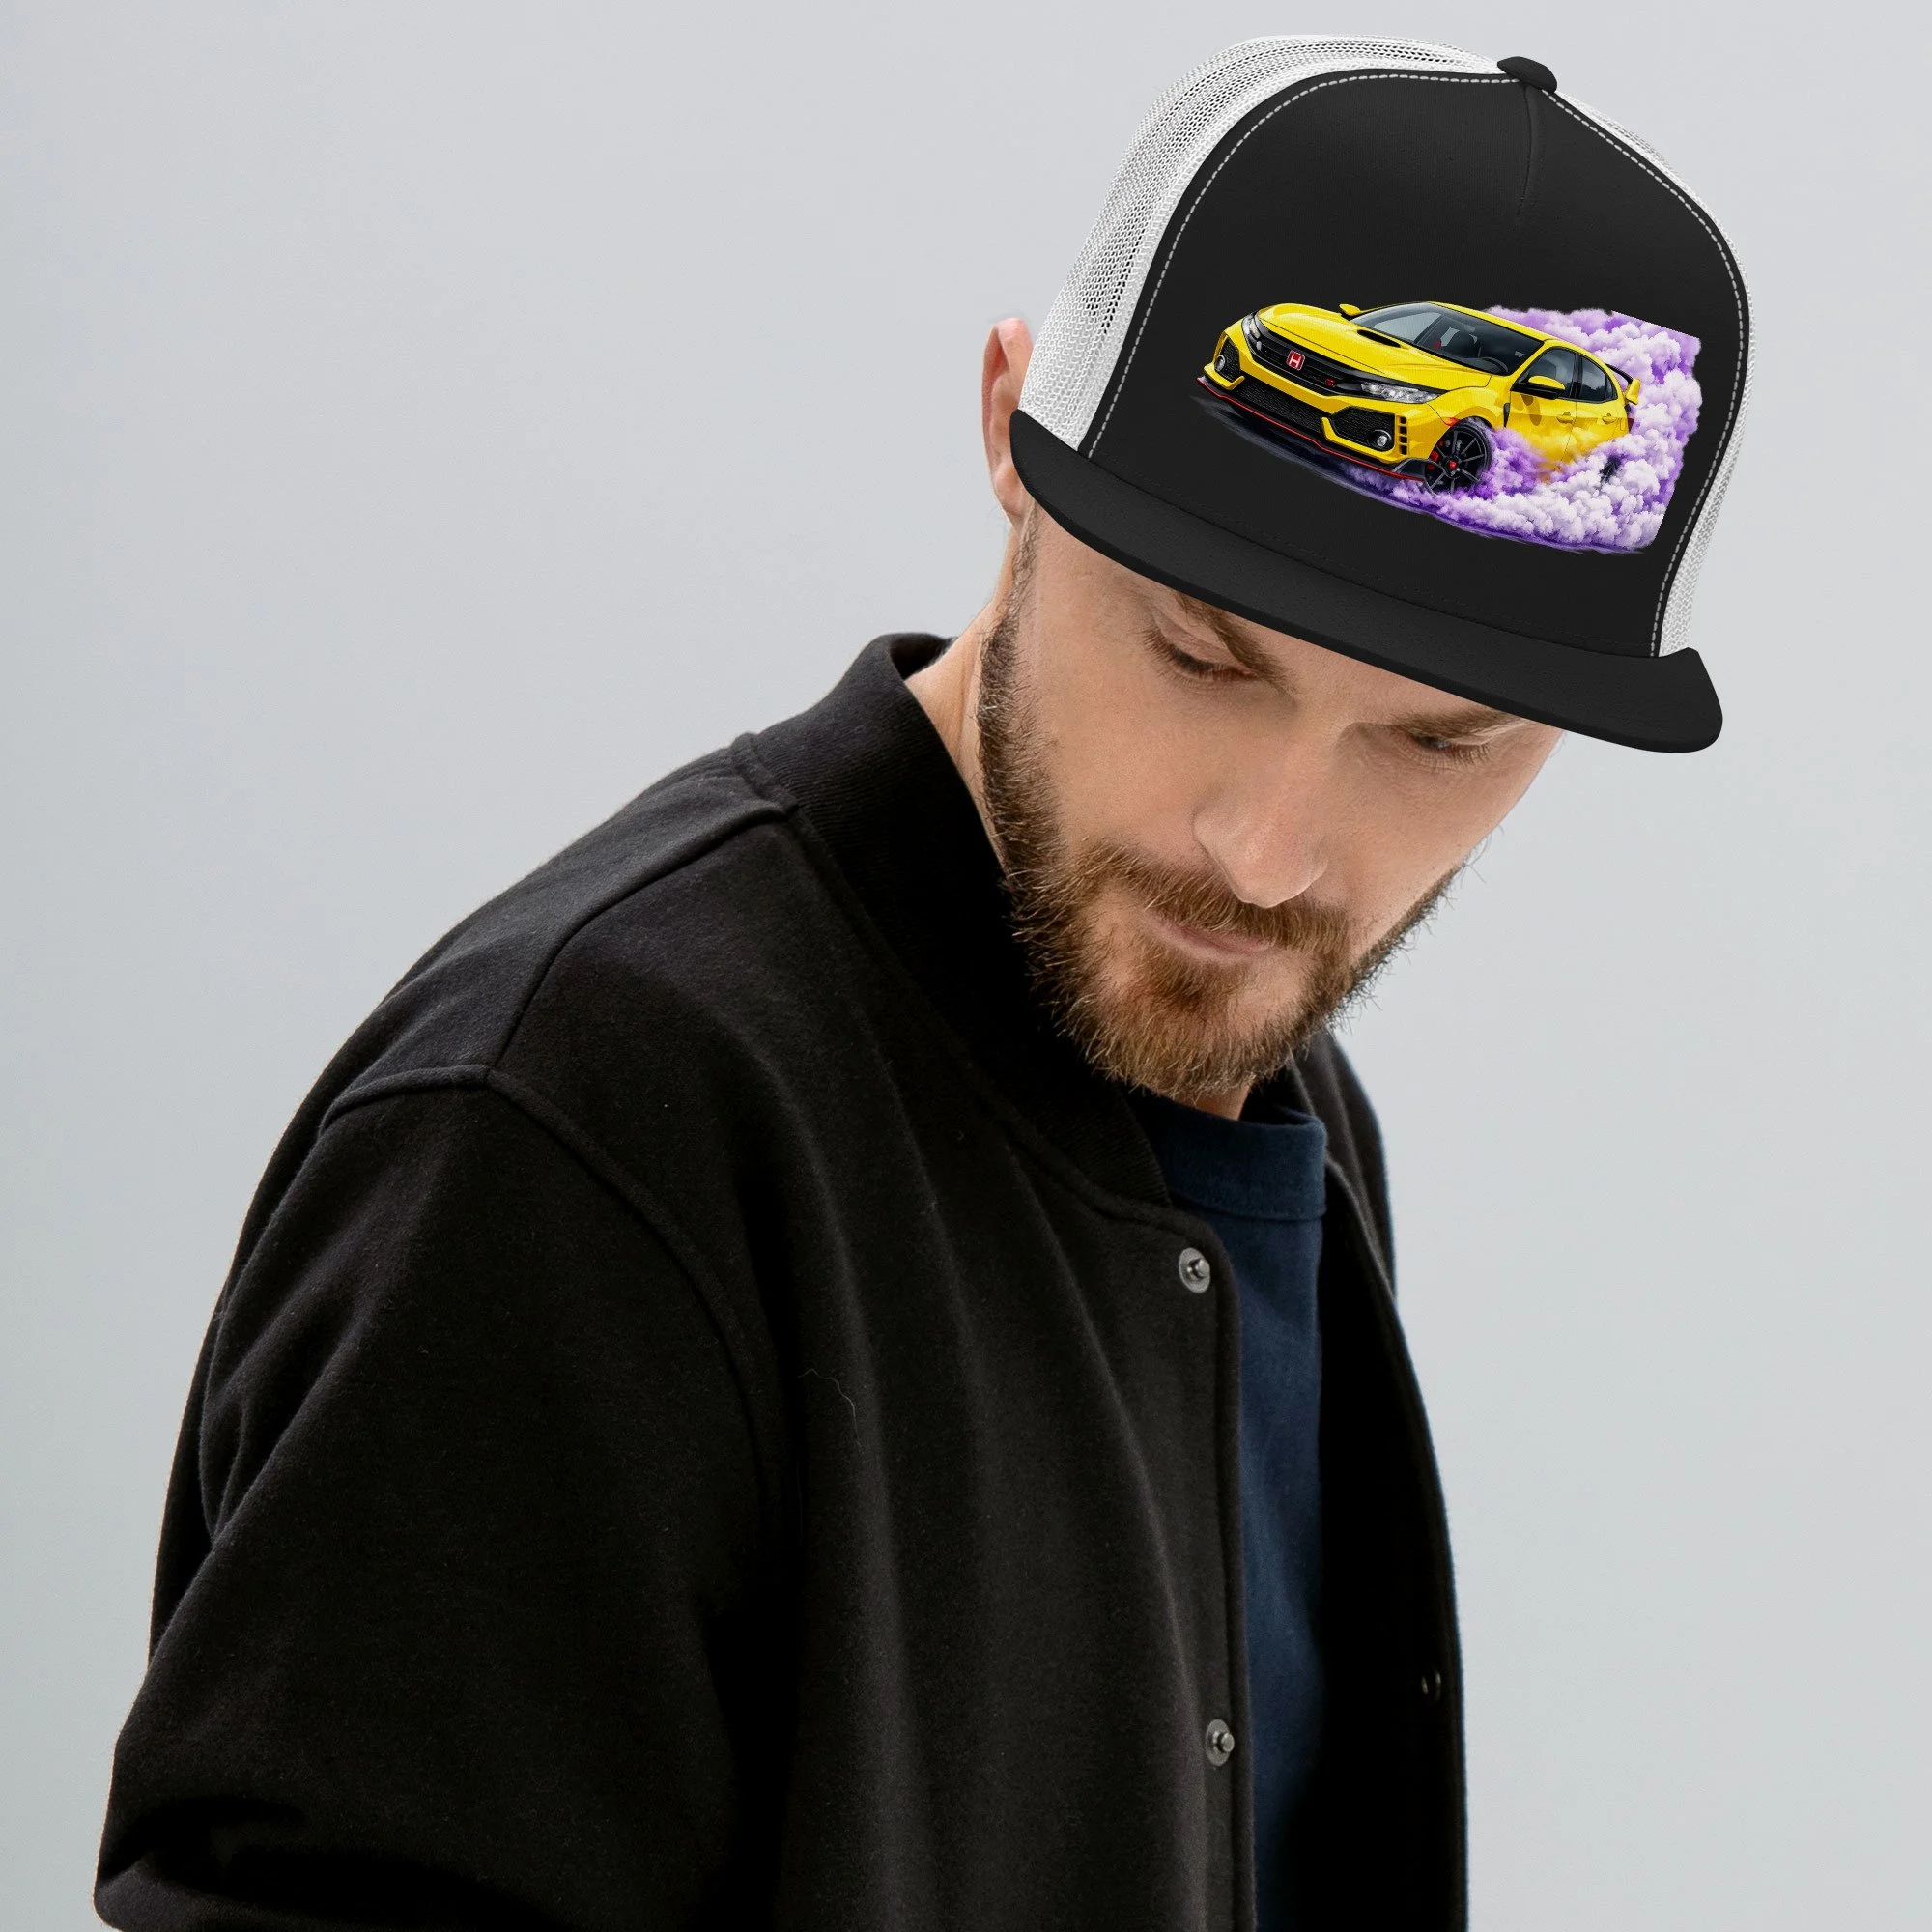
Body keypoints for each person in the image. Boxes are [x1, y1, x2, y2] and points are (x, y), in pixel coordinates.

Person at [97, 37, 1751, 1932]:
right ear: (1008, 441)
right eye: (1202, 657)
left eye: (1440, 745)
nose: (1270, 853)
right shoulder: (578, 1128)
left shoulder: (1278, 1095)